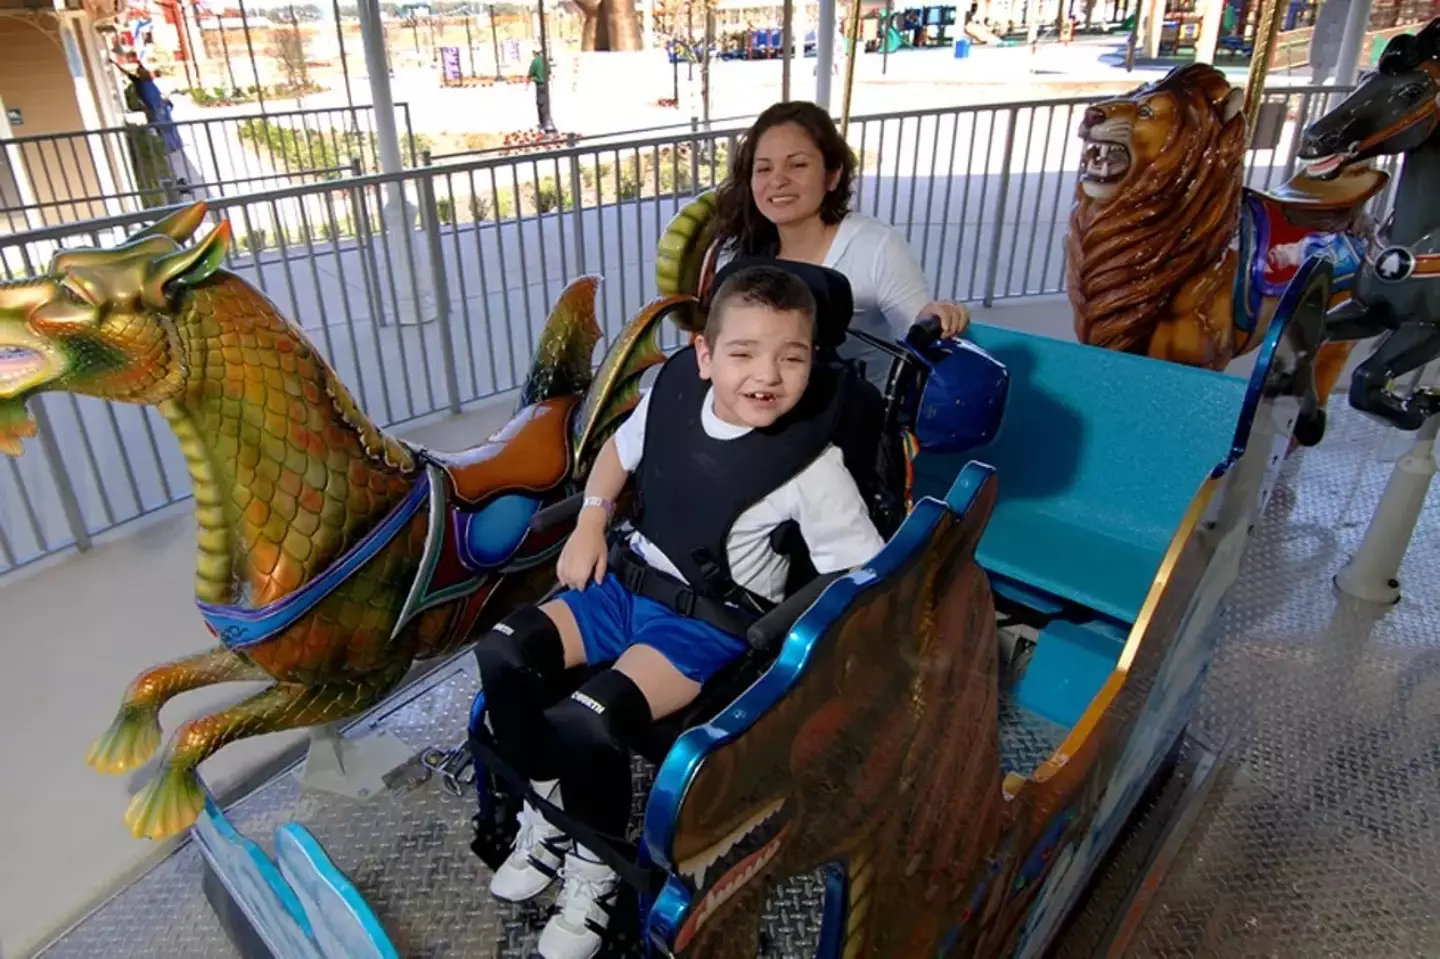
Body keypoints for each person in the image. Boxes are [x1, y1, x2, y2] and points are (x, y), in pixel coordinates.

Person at [473, 264, 885, 959]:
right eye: (744, 352)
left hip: (704, 622)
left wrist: (809, 639)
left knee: (589, 718)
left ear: (813, 360)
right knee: (505, 651)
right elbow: (614, 454)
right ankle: (554, 808)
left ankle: (596, 865)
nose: (769, 375)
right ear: (704, 354)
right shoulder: (669, 395)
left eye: (792, 356)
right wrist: (592, 521)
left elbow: (860, 566)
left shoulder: (814, 466)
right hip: (624, 580)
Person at [712, 100, 970, 387]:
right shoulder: (736, 253)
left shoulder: (876, 247)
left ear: (832, 176)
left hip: (855, 415)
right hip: (763, 403)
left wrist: (940, 315)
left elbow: (919, 334)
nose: (777, 180)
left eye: (797, 165)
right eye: (763, 169)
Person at [527, 47, 557, 135]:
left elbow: (530, 73)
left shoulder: (535, 61)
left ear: (534, 53)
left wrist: (531, 79)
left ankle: (543, 123)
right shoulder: (545, 60)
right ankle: (547, 120)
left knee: (540, 104)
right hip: (546, 85)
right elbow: (549, 72)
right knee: (546, 103)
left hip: (539, 85)